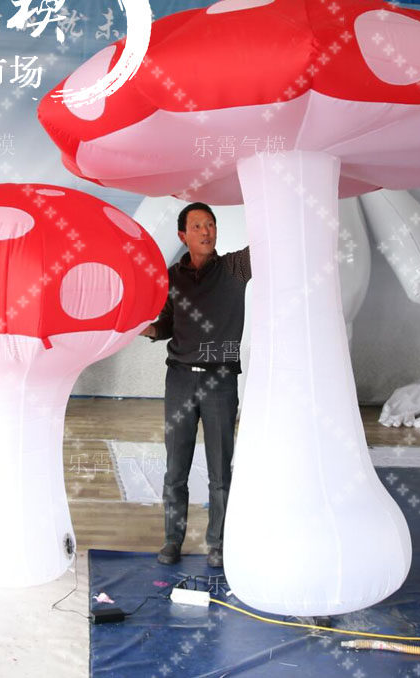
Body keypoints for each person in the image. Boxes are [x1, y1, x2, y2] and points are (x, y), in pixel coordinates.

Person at [141, 202, 250, 568]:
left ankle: (218, 543)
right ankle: (172, 540)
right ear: (182, 236)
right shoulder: (172, 277)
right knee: (176, 469)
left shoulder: (234, 268)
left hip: (221, 380)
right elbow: (167, 324)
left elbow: (268, 246)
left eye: (211, 224)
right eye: (198, 226)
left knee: (221, 470)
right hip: (180, 380)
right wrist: (147, 329)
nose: (206, 231)